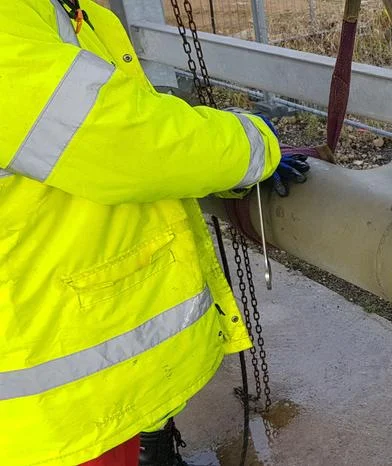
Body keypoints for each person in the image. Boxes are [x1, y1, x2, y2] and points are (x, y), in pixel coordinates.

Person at [0, 1, 310, 465]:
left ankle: (155, 442)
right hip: (52, 408)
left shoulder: (76, 15)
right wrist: (255, 144)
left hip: (63, 359)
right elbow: (129, 143)